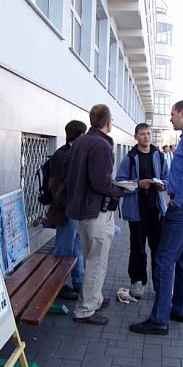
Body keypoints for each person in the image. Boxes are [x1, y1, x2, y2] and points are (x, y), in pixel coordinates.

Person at [129, 100, 183, 335]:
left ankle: (159, 319)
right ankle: (179, 310)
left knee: (164, 260)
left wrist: (178, 198)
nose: (170, 119)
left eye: (173, 114)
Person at [57, 104, 124, 325]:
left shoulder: (80, 142)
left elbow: (66, 172)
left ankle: (94, 298)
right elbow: (101, 182)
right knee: (97, 261)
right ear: (108, 122)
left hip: (84, 211)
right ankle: (85, 309)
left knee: (92, 257)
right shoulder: (101, 144)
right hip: (96, 211)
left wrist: (79, 189)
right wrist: (122, 189)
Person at [116, 123, 169, 299]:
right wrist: (137, 184)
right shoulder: (130, 158)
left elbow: (167, 178)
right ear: (136, 137)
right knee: (138, 248)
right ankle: (138, 282)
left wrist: (162, 185)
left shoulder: (159, 155)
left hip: (156, 210)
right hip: (137, 210)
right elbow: (120, 181)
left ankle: (160, 284)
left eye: (148, 133)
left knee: (158, 248)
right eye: (142, 134)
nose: (146, 137)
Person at [46, 120, 87, 300]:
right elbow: (55, 184)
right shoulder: (62, 155)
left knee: (76, 247)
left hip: (74, 210)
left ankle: (79, 282)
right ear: (79, 135)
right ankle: (60, 285)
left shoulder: (74, 152)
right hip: (65, 212)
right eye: (84, 134)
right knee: (64, 249)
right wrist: (67, 206)